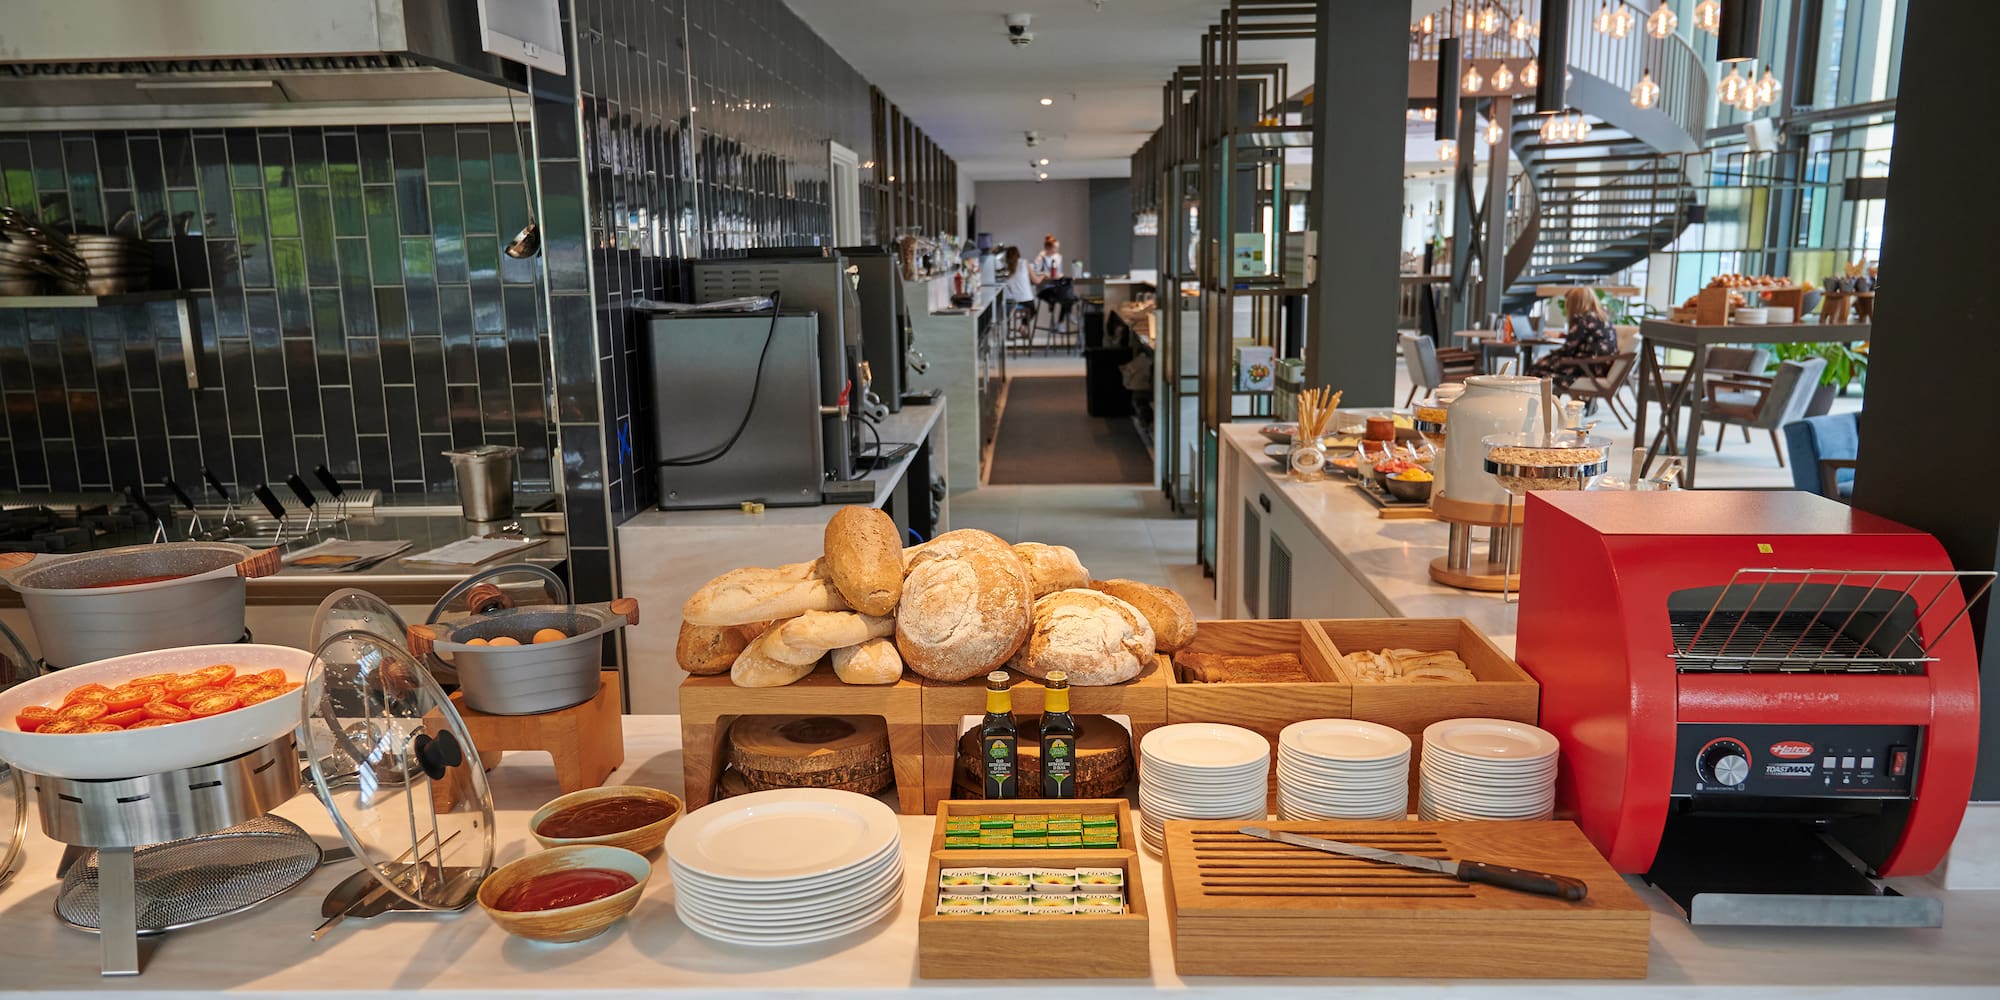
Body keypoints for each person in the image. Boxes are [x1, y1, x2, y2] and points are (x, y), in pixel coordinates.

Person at [1531, 288, 1619, 395]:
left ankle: (1543, 406)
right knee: (1546, 364)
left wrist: (1545, 358)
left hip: (1587, 369)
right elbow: (1585, 340)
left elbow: (1567, 350)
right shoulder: (1602, 317)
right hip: (1600, 367)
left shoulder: (1583, 320)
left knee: (1536, 370)